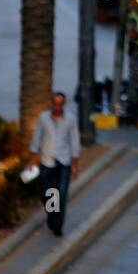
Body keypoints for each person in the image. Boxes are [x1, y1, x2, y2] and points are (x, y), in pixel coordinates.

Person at [29, 92, 82, 236]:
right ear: (51, 103)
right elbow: (37, 138)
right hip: (47, 161)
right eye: (55, 103)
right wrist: (32, 160)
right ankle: (52, 213)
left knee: (61, 194)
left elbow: (75, 141)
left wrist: (75, 164)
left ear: (63, 104)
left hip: (64, 162)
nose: (58, 107)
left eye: (60, 104)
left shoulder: (70, 119)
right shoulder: (43, 118)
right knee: (46, 192)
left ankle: (57, 225)